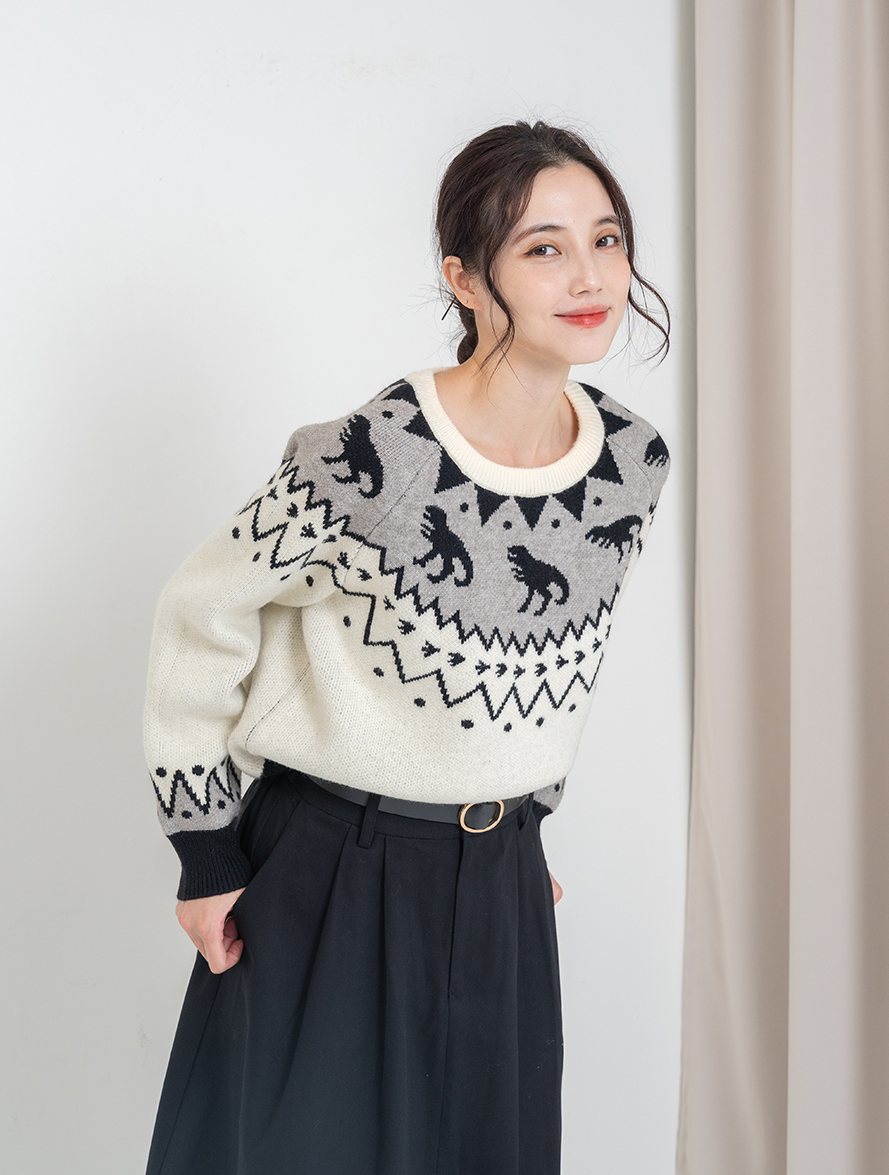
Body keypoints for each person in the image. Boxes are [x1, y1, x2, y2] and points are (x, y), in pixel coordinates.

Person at [142, 119, 671, 1175]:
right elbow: (202, 613)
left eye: (606, 239)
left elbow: (555, 659)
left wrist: (519, 817)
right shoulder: (373, 453)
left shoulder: (630, 461)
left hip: (501, 877)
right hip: (332, 867)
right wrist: (205, 850)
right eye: (544, 247)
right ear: (465, 278)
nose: (589, 275)